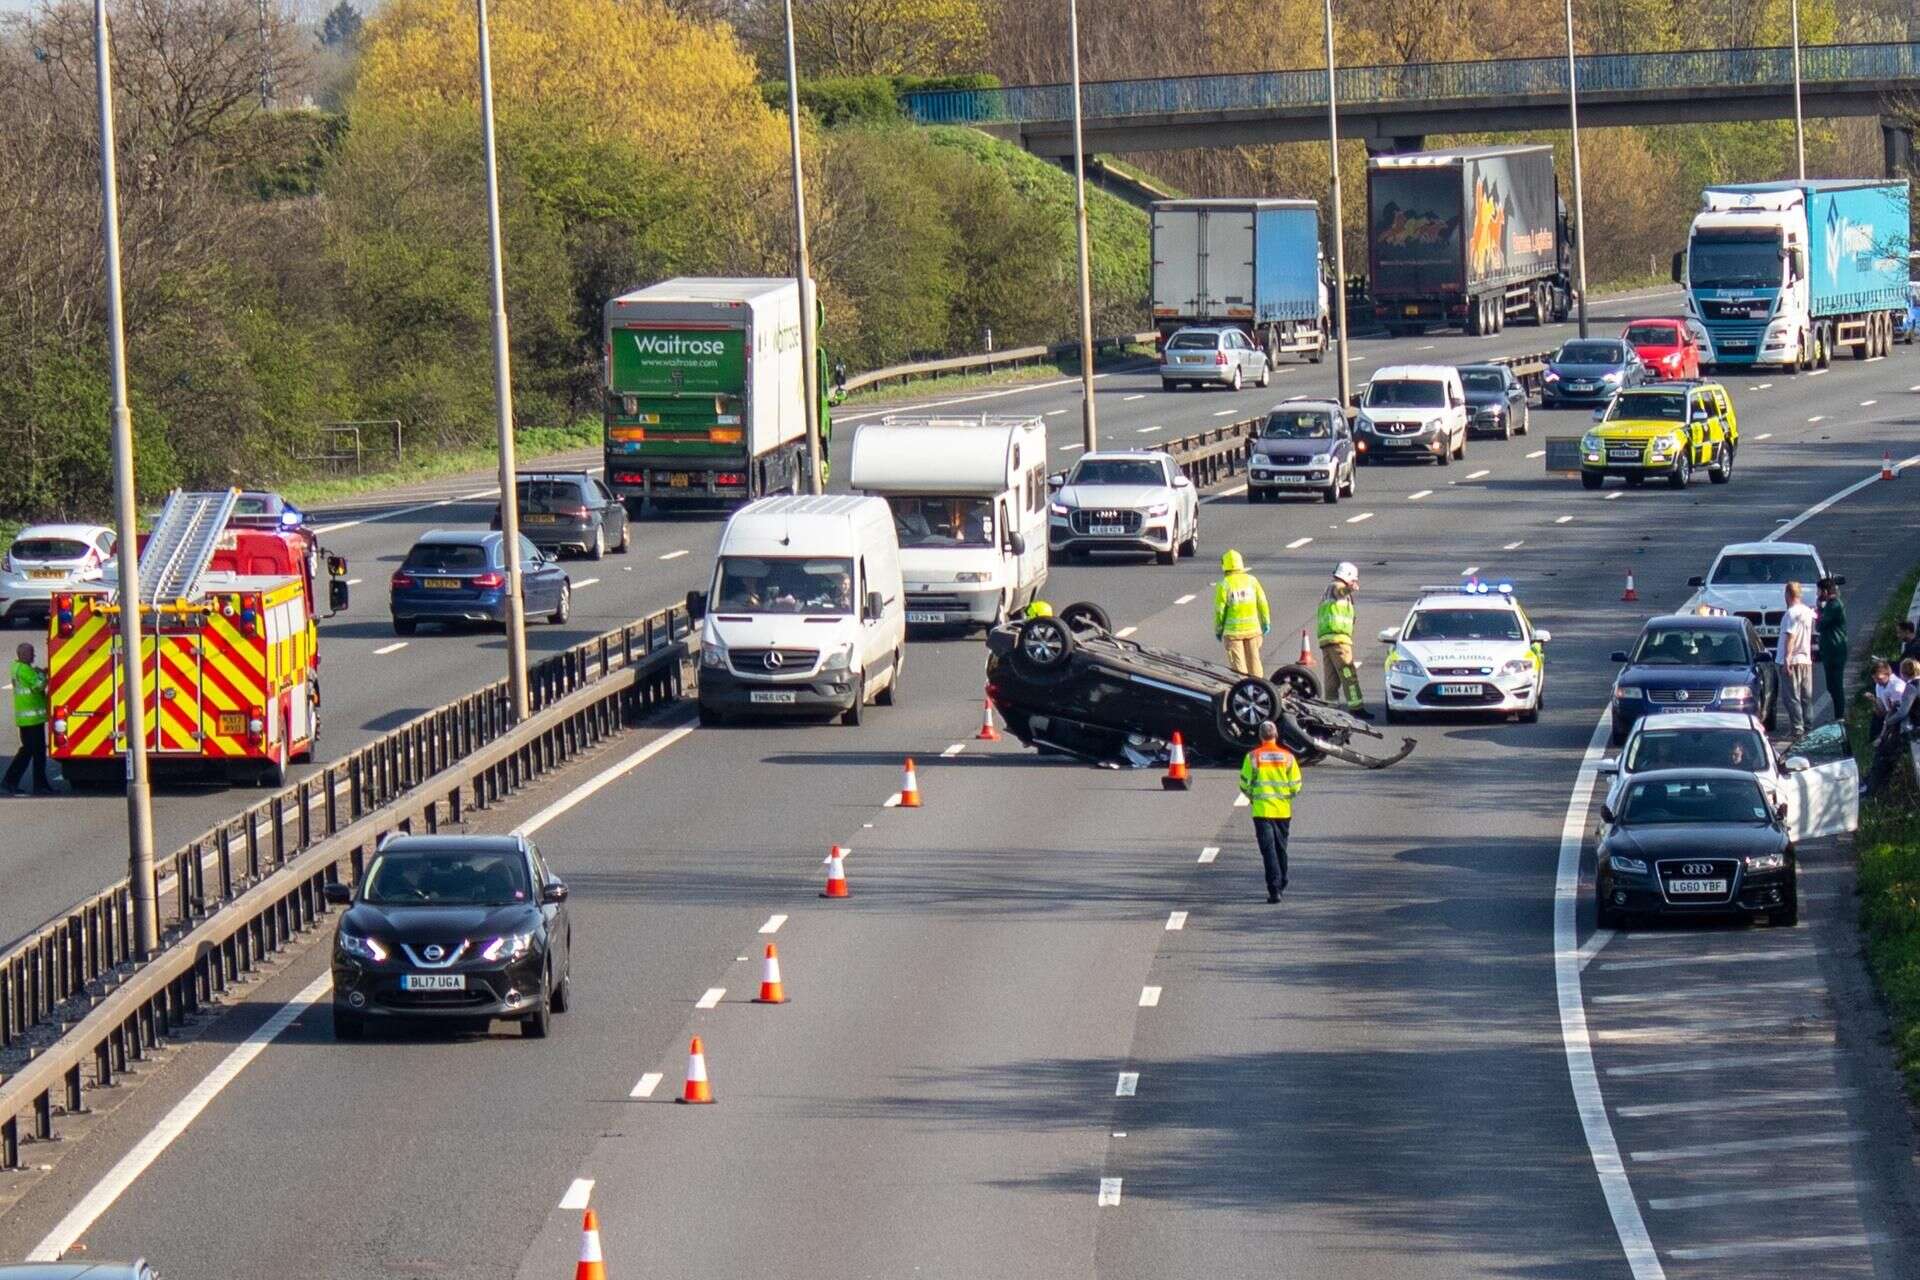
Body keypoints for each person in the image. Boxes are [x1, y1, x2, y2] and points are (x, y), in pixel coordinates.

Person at [1238, 720, 1303, 903]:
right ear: (1276, 735)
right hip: (1282, 810)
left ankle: (1275, 889)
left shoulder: (1253, 757)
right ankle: (1282, 881)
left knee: (1268, 850)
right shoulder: (1288, 757)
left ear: (1260, 736)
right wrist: (1286, 796)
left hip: (1262, 810)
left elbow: (1244, 784)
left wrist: (1253, 797)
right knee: (1281, 848)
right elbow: (1296, 785)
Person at [1316, 562, 1371, 718]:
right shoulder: (1336, 587)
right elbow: (1340, 591)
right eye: (1354, 579)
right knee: (1348, 674)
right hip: (1339, 641)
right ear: (1347, 576)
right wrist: (1349, 589)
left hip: (1327, 641)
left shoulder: (1328, 590)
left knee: (1331, 678)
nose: (1355, 582)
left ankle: (1331, 709)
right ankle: (1356, 708)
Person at [1860, 658, 1920, 799]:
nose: (1877, 682)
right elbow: (1885, 710)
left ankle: (1872, 790)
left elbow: (1901, 712)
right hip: (1902, 728)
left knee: (1885, 757)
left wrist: (1887, 724)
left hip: (1907, 729)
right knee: (1883, 757)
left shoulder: (1907, 687)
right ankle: (1871, 787)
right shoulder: (1882, 686)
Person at [4, 642, 52, 797]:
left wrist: (38, 672)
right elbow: (39, 685)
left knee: (37, 752)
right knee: (29, 751)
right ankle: (10, 782)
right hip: (30, 719)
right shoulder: (24, 670)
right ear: (23, 654)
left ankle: (40, 784)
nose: (34, 655)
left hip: (31, 719)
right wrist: (42, 674)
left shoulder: (18, 667)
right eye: (31, 653)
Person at [1213, 550, 1270, 677]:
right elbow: (1262, 602)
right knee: (1255, 664)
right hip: (1253, 630)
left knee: (1239, 669)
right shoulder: (1252, 581)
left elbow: (1219, 611)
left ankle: (1243, 692)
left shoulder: (1224, 585)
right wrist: (1266, 622)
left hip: (1233, 633)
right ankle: (1259, 689)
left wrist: (1218, 630)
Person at [1775, 581, 1816, 739]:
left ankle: (1798, 729)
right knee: (1807, 697)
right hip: (1806, 659)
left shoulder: (1790, 614)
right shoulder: (1807, 611)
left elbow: (1790, 637)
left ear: (1787, 595)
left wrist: (1787, 659)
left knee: (1792, 697)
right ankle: (1809, 726)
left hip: (1792, 660)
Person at [1815, 577, 1848, 721]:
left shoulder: (1834, 605)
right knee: (1831, 686)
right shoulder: (1830, 605)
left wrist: (1818, 613)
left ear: (1826, 591)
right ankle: (1838, 716)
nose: (1818, 594)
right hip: (1829, 652)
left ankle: (1840, 717)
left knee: (1836, 686)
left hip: (1835, 651)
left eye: (1819, 590)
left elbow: (1821, 625)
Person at [1870, 658, 1908, 741]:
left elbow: (1897, 712)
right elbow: (1881, 710)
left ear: (1888, 674)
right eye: (1874, 679)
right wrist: (1874, 700)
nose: (1876, 681)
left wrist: (1882, 735)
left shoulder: (1896, 687)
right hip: (1888, 716)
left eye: (1879, 678)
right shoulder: (1879, 685)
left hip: (1901, 718)